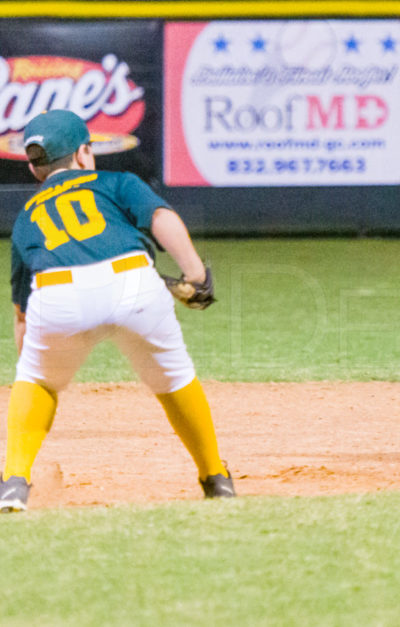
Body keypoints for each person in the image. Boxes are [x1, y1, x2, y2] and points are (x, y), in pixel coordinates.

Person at [0, 109, 235, 512]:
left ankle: (14, 482)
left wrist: (37, 363)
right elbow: (160, 217)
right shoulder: (114, 182)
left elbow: (22, 312)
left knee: (36, 380)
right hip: (132, 282)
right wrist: (195, 275)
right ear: (84, 153)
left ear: (38, 169)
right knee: (173, 377)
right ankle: (215, 477)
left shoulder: (27, 217)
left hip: (56, 293)